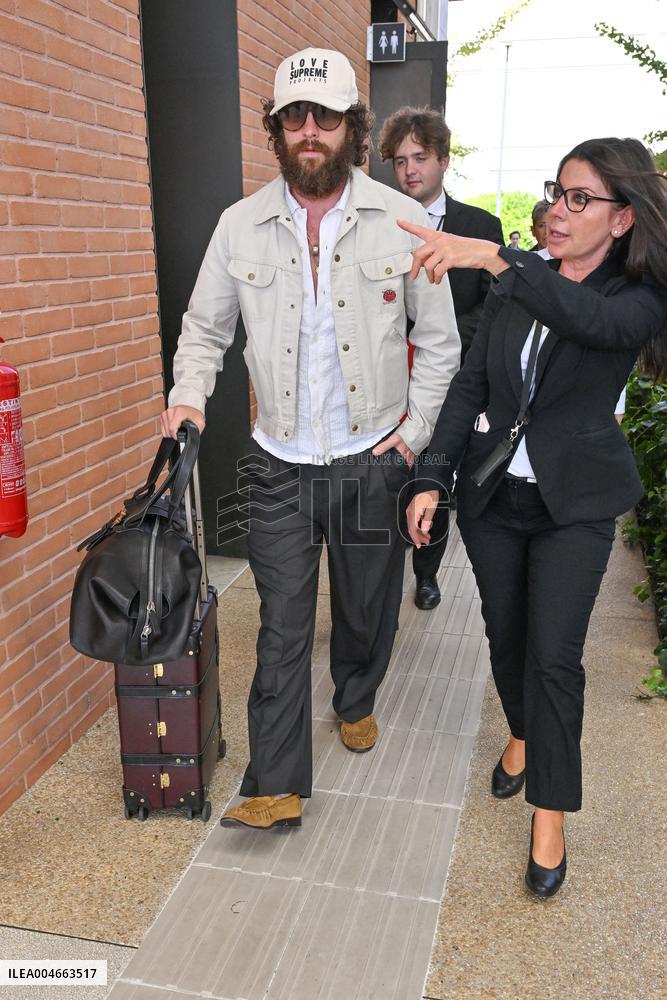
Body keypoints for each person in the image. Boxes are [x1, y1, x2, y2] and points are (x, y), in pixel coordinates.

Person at [161, 48, 460, 831]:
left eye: (324, 116)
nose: (308, 130)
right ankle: (275, 783)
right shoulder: (239, 226)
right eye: (294, 116)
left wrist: (411, 436)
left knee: (363, 610)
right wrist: (188, 396)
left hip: (370, 459)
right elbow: (204, 329)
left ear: (352, 126)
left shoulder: (402, 220)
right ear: (276, 128)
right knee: (282, 625)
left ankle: (355, 696)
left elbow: (439, 344)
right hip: (278, 465)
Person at [400, 136, 667, 897]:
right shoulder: (518, 281)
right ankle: (520, 732)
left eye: (580, 199)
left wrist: (497, 259)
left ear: (621, 219)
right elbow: (470, 386)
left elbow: (591, 324)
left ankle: (549, 813)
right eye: (558, 192)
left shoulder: (634, 297)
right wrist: (431, 477)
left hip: (573, 507)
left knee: (554, 657)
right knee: (507, 635)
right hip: (495, 499)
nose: (559, 210)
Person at [378, 106, 504, 611]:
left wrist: (434, 337)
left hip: (452, 381)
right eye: (400, 160)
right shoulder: (377, 223)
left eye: (420, 157)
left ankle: (426, 572)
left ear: (444, 160)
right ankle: (381, 576)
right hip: (386, 380)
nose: (410, 169)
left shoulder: (480, 226)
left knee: (434, 476)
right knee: (387, 479)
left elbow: (493, 309)